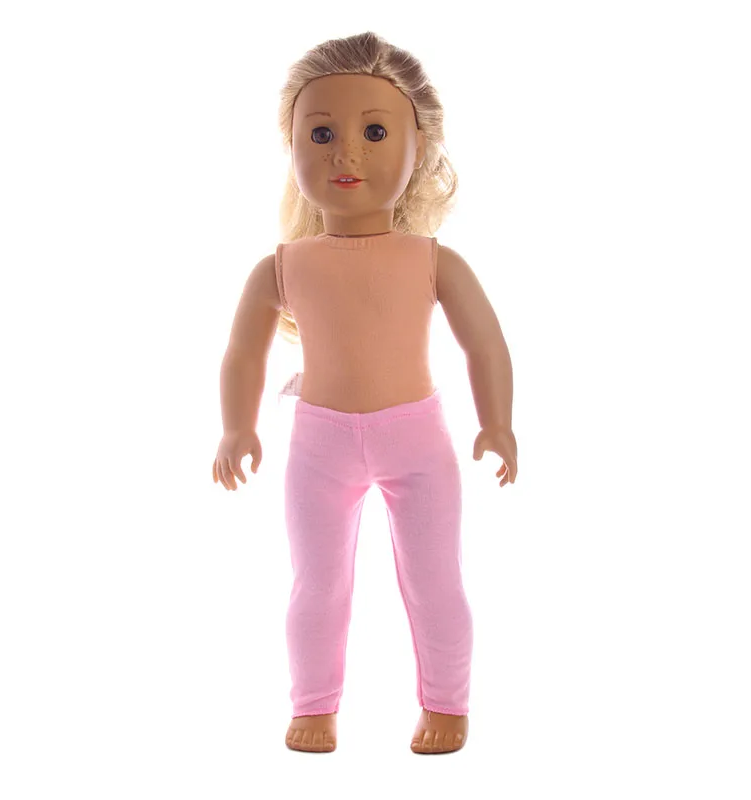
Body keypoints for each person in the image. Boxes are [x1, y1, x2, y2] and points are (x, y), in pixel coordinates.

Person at [213, 31, 517, 754]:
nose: (345, 152)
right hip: (319, 445)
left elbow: (485, 344)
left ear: (420, 148)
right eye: (320, 133)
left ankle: (447, 703)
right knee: (317, 584)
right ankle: (314, 704)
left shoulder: (434, 260)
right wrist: (236, 427)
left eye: (375, 132)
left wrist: (498, 422)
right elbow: (243, 352)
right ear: (291, 147)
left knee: (435, 580)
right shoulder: (281, 266)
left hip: (418, 440)